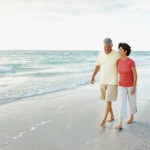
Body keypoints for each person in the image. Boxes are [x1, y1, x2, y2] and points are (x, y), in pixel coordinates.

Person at [91, 37, 120, 127]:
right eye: (105, 47)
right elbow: (98, 65)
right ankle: (112, 115)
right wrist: (93, 76)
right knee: (107, 101)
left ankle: (104, 120)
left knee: (108, 100)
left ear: (112, 45)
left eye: (108, 47)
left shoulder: (117, 54)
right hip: (103, 80)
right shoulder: (100, 53)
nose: (106, 49)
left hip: (113, 81)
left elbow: (124, 62)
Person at [115, 43, 137, 130]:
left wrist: (134, 87)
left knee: (132, 102)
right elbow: (117, 72)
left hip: (131, 85)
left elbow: (135, 75)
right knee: (122, 104)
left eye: (120, 50)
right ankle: (120, 123)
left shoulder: (131, 61)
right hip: (121, 86)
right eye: (119, 49)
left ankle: (132, 116)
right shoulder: (118, 61)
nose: (119, 51)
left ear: (125, 51)